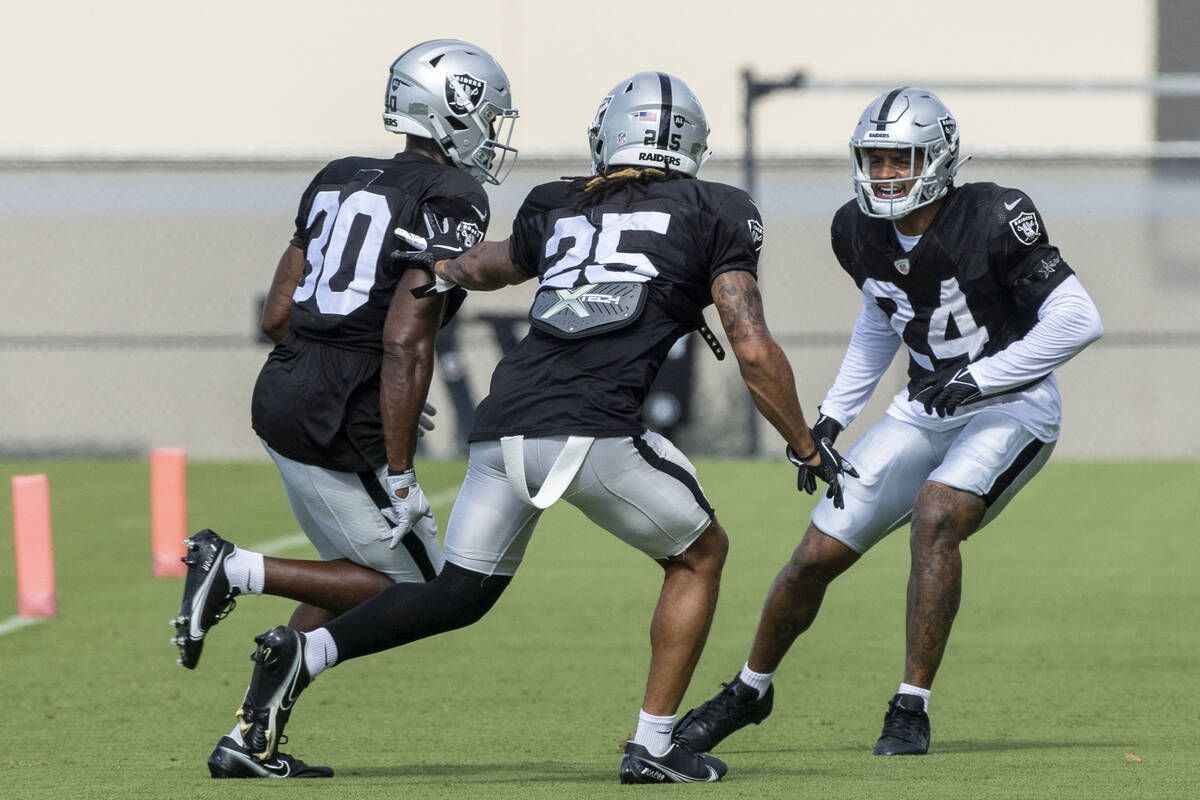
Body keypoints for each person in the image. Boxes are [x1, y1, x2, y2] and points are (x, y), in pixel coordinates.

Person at [223, 71, 852, 785]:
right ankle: (652, 744)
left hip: (501, 428)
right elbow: (752, 346)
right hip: (594, 431)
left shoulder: (559, 203)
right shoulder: (718, 210)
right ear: (691, 147)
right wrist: (805, 443)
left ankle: (305, 653)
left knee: (460, 591)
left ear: (609, 134)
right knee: (701, 554)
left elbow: (492, 264)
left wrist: (444, 268)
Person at [672, 87, 1104, 759]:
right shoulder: (855, 228)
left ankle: (910, 707)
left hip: (1012, 406)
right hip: (929, 404)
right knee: (814, 555)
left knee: (937, 513)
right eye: (875, 161)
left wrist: (981, 377)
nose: (885, 175)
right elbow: (883, 316)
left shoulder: (995, 214)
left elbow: (1079, 318)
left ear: (935, 159)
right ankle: (749, 692)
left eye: (899, 160)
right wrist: (834, 415)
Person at [169, 39, 519, 778]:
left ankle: (248, 736)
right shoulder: (452, 195)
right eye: (485, 111)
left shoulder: (337, 176)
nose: (492, 128)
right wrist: (396, 462)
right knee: (423, 588)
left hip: (286, 385)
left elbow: (276, 313)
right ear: (449, 111)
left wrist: (349, 375)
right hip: (343, 407)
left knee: (350, 573)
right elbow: (404, 340)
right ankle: (234, 569)